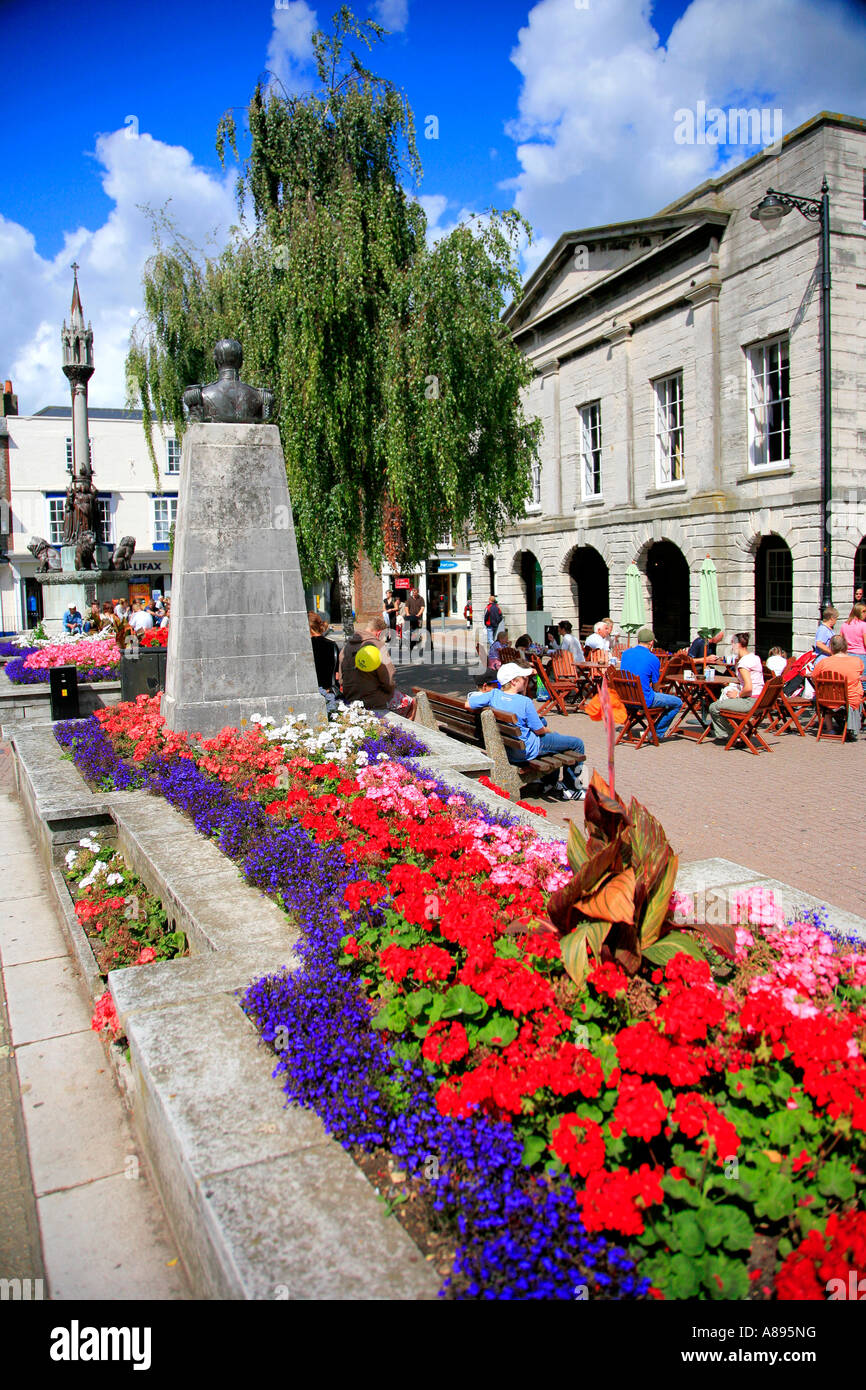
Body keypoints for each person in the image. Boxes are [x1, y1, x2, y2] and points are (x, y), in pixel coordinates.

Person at [466, 662, 585, 800]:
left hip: (509, 748)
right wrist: (549, 730)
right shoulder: (525, 702)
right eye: (524, 678)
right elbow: (539, 730)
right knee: (577, 743)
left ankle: (549, 781)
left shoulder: (493, 695)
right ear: (514, 681)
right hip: (527, 749)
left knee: (555, 738)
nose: (526, 681)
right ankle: (572, 788)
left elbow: (467, 704)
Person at [338, 612, 415, 716]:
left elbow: (341, 678)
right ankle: (402, 731)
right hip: (374, 700)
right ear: (379, 633)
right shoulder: (377, 646)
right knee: (412, 703)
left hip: (350, 698)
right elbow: (388, 679)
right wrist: (388, 693)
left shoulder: (347, 646)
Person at [620, 627, 683, 739]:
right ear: (651, 642)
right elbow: (655, 685)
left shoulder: (625, 654)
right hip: (643, 699)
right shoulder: (652, 658)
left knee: (658, 698)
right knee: (677, 702)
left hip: (625, 698)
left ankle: (648, 727)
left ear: (638, 640)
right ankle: (655, 733)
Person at [707, 632, 765, 741]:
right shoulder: (755, 658)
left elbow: (748, 688)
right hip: (761, 701)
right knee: (727, 698)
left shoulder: (744, 663)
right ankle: (738, 731)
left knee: (714, 707)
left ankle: (733, 734)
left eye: (732, 644)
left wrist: (737, 694)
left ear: (737, 644)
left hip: (750, 701)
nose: (731, 647)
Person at [817, 633, 862, 739]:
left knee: (822, 694)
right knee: (857, 688)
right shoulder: (856, 661)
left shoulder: (823, 662)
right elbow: (858, 674)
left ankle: (829, 728)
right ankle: (849, 728)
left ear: (831, 647)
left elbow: (815, 676)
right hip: (849, 700)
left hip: (827, 700)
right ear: (846, 646)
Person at [309, 613, 341, 693]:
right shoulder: (332, 645)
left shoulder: (307, 646)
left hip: (312, 691)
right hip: (329, 691)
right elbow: (337, 674)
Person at [838, 603, 866, 690]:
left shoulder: (844, 625)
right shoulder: (863, 625)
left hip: (848, 655)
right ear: (858, 612)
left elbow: (840, 641)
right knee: (862, 683)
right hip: (861, 655)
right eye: (864, 611)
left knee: (849, 681)